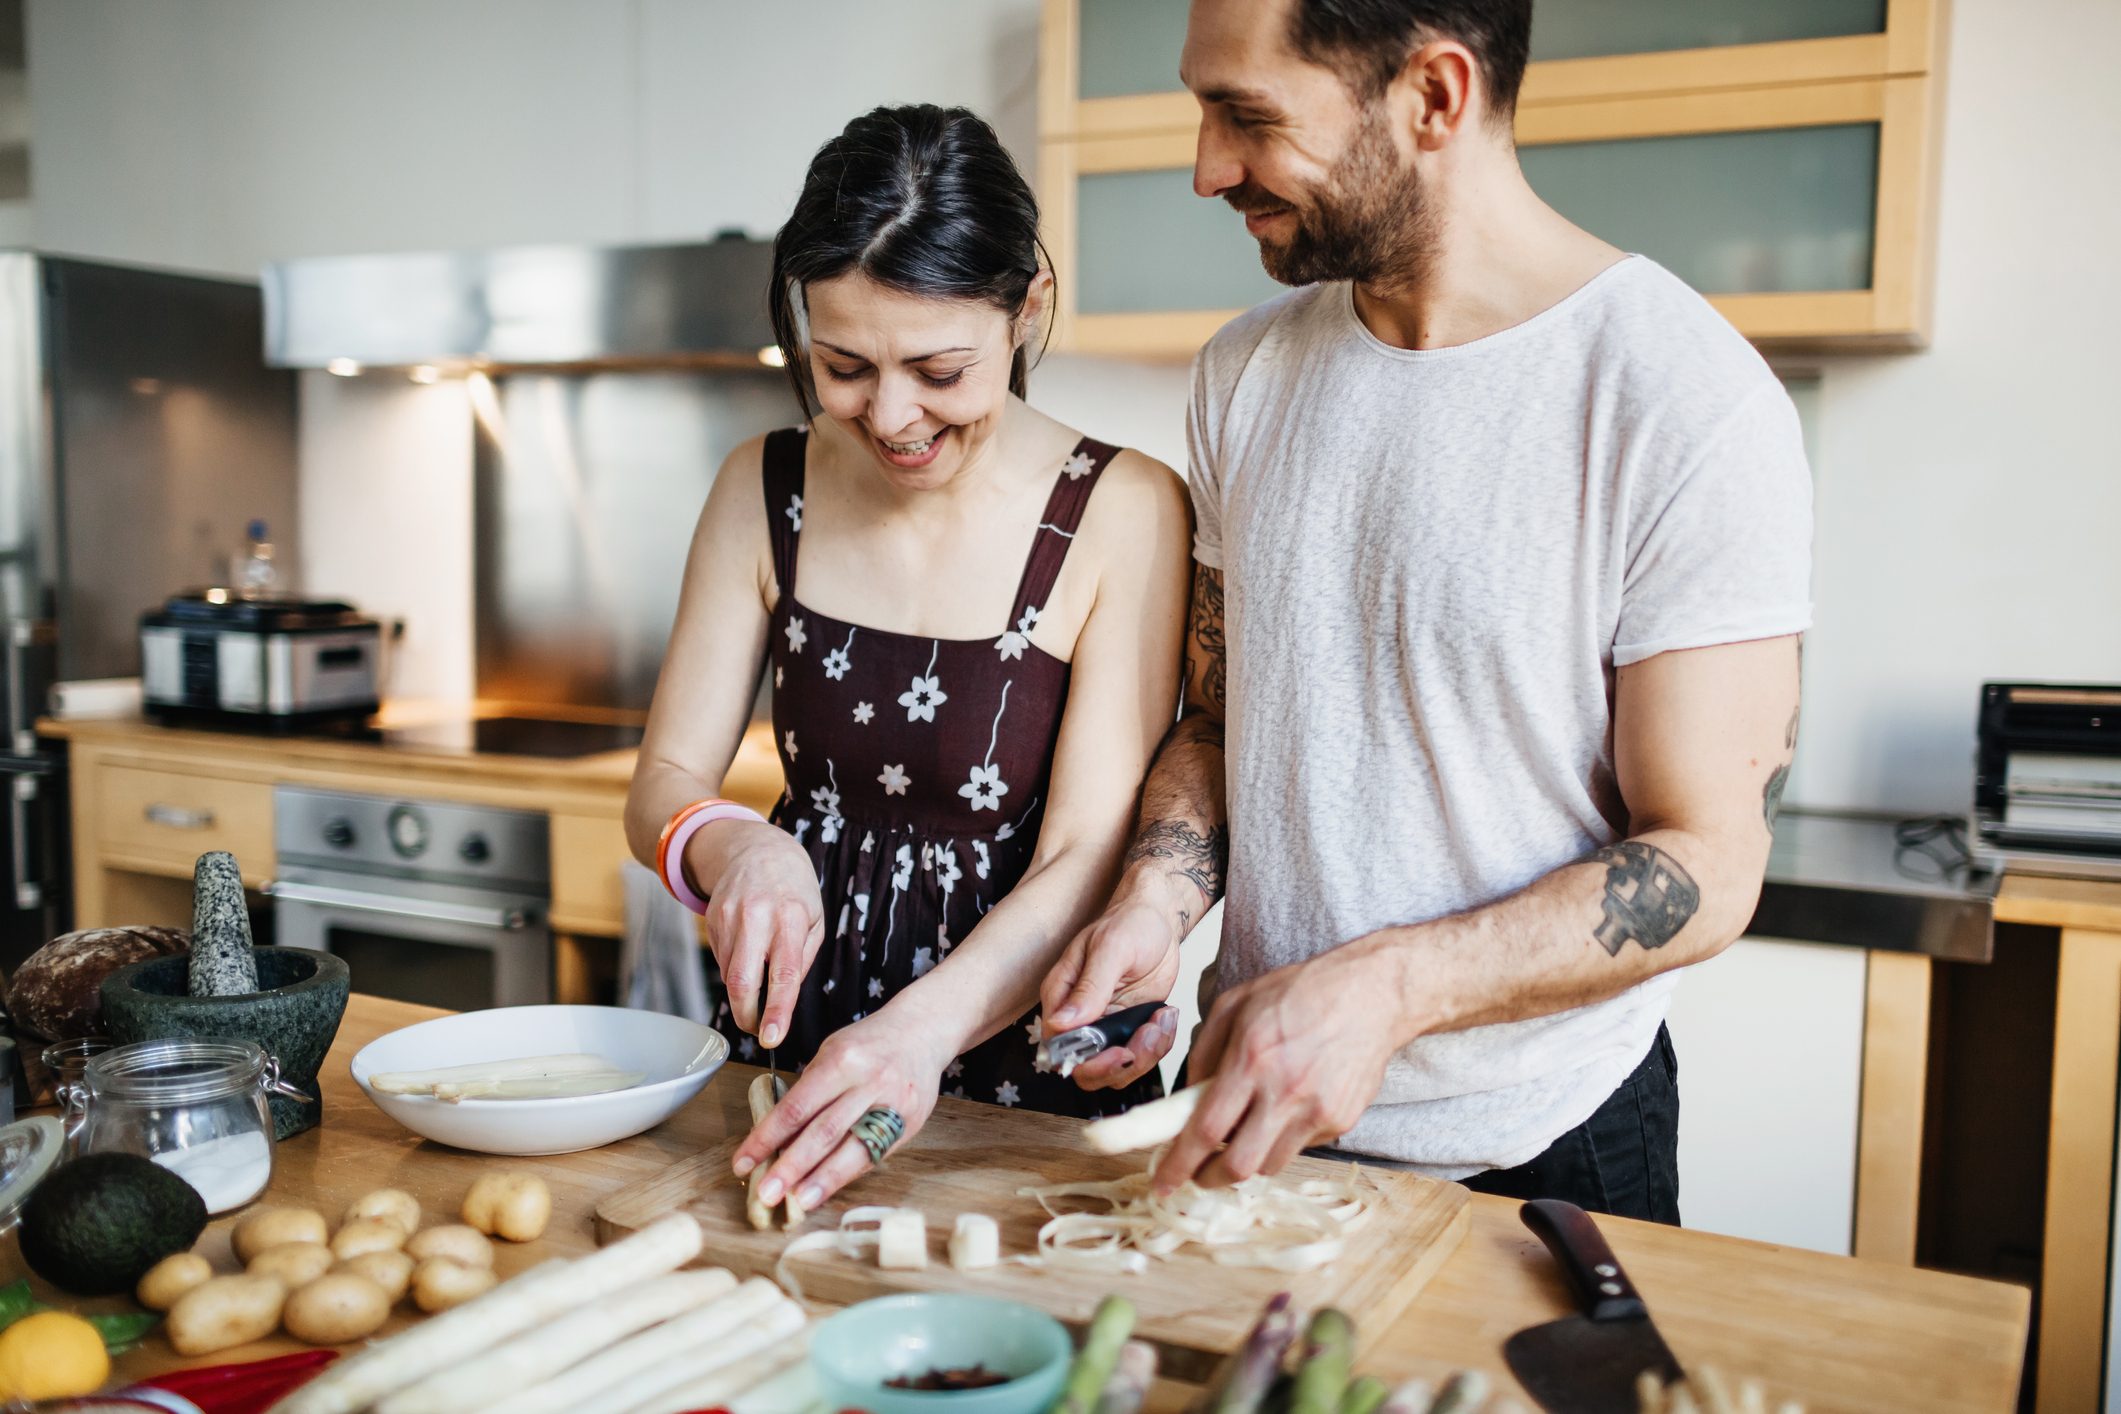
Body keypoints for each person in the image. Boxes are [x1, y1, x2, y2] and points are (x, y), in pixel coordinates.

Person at [1039, 0, 1812, 1223]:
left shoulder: (1679, 399)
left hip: (1545, 1149)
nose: (1206, 168)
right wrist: (1155, 900)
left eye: (1248, 117)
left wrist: (1385, 990)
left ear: (1435, 98)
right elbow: (1223, 719)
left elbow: (1710, 861)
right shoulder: (1244, 372)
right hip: (1260, 1111)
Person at [627, 104, 1190, 1213]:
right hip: (791, 1062)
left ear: (1026, 308)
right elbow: (663, 784)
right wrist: (736, 849)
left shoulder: (1122, 508)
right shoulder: (762, 484)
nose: (890, 417)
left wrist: (916, 1037)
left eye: (940, 369)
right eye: (842, 365)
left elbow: (1086, 850)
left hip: (1024, 1066)